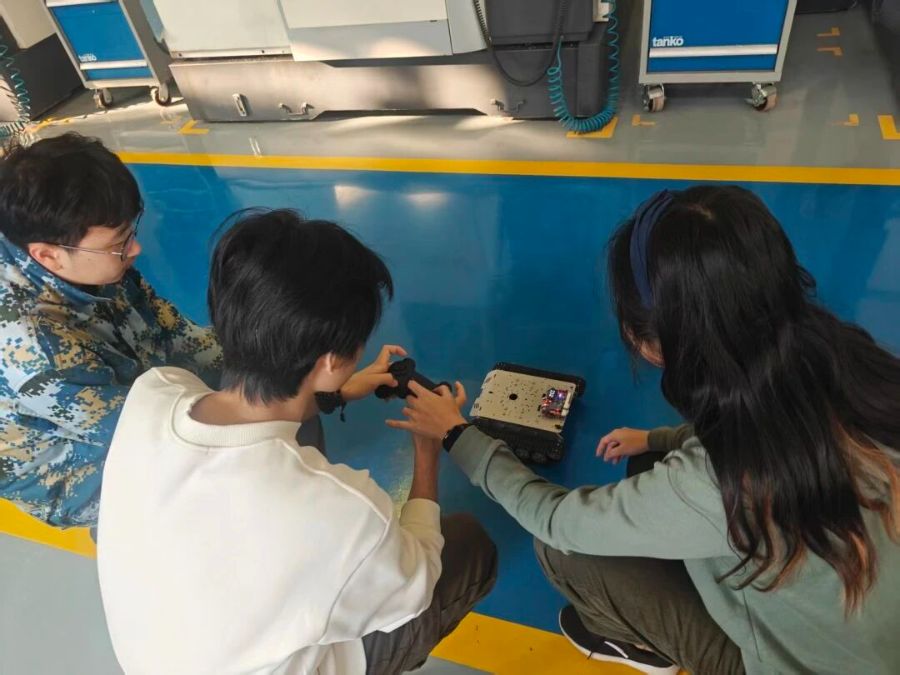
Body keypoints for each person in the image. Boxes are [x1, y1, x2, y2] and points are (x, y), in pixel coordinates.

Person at [388, 186, 900, 674]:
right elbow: (767, 431)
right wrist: (658, 440)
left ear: (654, 342)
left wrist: (458, 434)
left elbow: (558, 520)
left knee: (562, 553)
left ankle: (641, 646)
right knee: (648, 464)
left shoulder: (717, 483)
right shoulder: (856, 365)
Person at [96, 209, 497, 675]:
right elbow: (418, 582)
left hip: (154, 657)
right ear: (329, 363)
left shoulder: (155, 392)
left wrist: (337, 389)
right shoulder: (347, 512)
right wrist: (427, 454)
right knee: (469, 545)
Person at [0, 133, 221, 527]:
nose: (134, 249)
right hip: (68, 468)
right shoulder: (36, 352)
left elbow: (171, 329)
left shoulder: (84, 257)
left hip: (109, 387)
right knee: (210, 479)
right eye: (120, 244)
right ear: (49, 256)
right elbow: (155, 432)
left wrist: (269, 357)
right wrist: (273, 401)